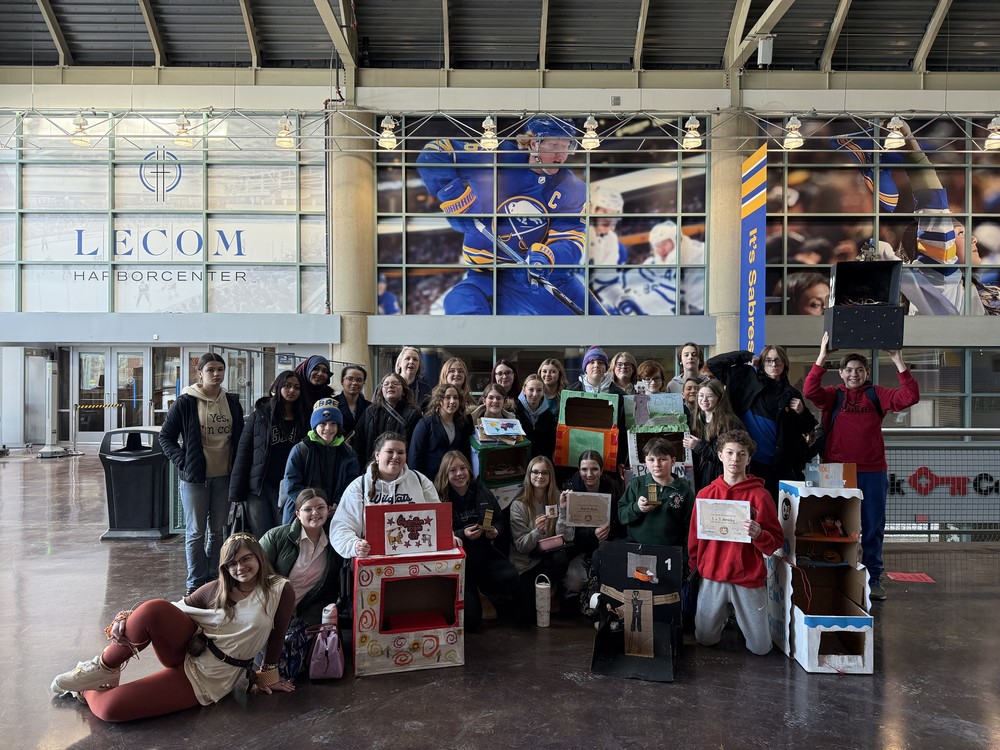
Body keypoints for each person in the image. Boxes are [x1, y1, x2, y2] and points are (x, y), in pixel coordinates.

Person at [50, 533, 295, 722]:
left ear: (259, 557)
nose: (239, 568)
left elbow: (278, 633)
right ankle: (104, 667)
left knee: (110, 709)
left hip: (210, 677)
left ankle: (85, 689)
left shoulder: (279, 589)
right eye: (231, 564)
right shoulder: (216, 588)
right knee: (152, 609)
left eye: (245, 559)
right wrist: (126, 617)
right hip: (190, 648)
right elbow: (174, 609)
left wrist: (267, 676)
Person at [416, 116, 595, 316]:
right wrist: (455, 198)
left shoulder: (573, 189)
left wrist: (547, 256)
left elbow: (571, 240)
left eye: (566, 146)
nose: (561, 154)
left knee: (598, 320)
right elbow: (434, 153)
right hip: (487, 276)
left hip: (538, 279)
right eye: (554, 145)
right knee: (460, 303)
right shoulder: (498, 157)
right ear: (534, 143)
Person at [803, 332, 920, 601]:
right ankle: (834, 572)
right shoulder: (834, 395)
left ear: (866, 372)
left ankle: (873, 578)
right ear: (841, 373)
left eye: (859, 370)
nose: (854, 375)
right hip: (836, 471)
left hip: (872, 470)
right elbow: (810, 391)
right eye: (849, 370)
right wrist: (822, 356)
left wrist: (898, 359)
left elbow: (910, 397)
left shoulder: (877, 394)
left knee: (872, 525)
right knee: (833, 524)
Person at [688, 430, 783, 655]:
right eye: (729, 453)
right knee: (705, 639)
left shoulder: (760, 496)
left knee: (761, 648)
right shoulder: (705, 494)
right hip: (713, 575)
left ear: (749, 459)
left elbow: (775, 542)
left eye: (741, 454)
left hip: (747, 577)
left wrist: (759, 534)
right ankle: (726, 616)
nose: (735, 459)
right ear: (719, 455)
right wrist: (696, 568)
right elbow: (694, 538)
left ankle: (740, 617)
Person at [160, 353, 246, 595]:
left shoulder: (231, 402)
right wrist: (183, 462)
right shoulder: (186, 402)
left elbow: (238, 438)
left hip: (224, 477)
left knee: (218, 530)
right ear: (200, 374)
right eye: (210, 370)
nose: (216, 374)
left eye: (220, 369)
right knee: (196, 532)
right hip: (195, 478)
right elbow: (165, 438)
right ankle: (195, 582)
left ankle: (214, 577)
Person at [707, 345, 817, 502]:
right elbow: (713, 364)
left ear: (785, 363)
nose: (773, 364)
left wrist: (801, 411)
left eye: (778, 360)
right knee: (750, 507)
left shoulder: (792, 393)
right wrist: (746, 356)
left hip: (779, 464)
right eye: (768, 360)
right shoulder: (746, 380)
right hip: (749, 462)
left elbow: (807, 428)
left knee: (777, 509)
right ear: (762, 363)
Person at [435, 451, 518, 632]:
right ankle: (470, 593)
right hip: (461, 563)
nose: (459, 474)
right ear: (445, 475)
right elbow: (437, 534)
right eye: (453, 470)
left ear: (469, 470)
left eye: (463, 468)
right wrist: (462, 534)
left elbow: (498, 519)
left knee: (511, 577)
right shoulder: (440, 496)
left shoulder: (480, 489)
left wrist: (495, 531)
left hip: (485, 554)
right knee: (472, 622)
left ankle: (483, 592)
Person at [329, 432, 441, 559]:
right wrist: (354, 545)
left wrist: (448, 537)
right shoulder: (359, 486)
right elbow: (340, 528)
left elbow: (439, 519)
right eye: (390, 451)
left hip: (415, 560)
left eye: (400, 452)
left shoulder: (420, 481)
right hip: (373, 562)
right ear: (377, 455)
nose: (395, 456)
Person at [230, 370, 310, 538]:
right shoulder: (260, 415)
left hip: (290, 486)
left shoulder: (304, 418)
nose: (292, 391)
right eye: (287, 386)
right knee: (262, 536)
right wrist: (237, 492)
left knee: (285, 534)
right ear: (277, 387)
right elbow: (243, 452)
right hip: (260, 487)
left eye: (296, 387)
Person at [260, 489, 342, 631]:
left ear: (328, 511)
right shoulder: (276, 536)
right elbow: (257, 572)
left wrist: (303, 624)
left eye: (320, 508)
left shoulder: (335, 544)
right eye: (308, 509)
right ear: (298, 514)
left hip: (304, 619)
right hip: (268, 611)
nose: (315, 513)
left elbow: (328, 592)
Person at [509, 456, 575, 624]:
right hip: (527, 562)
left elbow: (568, 537)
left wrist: (563, 512)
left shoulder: (559, 497)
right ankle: (542, 592)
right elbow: (522, 546)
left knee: (561, 559)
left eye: (545, 472)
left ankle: (550, 591)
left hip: (549, 558)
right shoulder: (518, 504)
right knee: (524, 617)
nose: (540, 476)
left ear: (551, 475)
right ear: (529, 475)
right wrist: (537, 532)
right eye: (535, 472)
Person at [279, 398, 360, 525]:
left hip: (335, 514)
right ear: (315, 425)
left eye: (333, 423)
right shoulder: (301, 450)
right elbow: (291, 484)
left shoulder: (348, 453)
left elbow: (351, 483)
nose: (328, 428)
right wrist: (315, 506)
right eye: (323, 424)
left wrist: (338, 503)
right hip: (303, 514)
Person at [618, 439, 694, 553]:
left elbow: (690, 528)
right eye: (651, 460)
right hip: (637, 546)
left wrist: (684, 557)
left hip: (669, 550)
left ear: (673, 461)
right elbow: (622, 516)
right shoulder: (637, 484)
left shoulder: (684, 490)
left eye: (663, 459)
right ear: (645, 461)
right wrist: (637, 508)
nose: (657, 464)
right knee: (599, 555)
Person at [683, 379, 745, 492]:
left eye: (710, 396)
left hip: (721, 477)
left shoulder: (729, 422)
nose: (704, 400)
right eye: (701, 395)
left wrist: (698, 446)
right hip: (701, 475)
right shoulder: (696, 418)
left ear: (719, 398)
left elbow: (727, 457)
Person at [353, 372, 421, 466]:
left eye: (395, 383)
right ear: (381, 390)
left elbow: (416, 448)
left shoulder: (413, 414)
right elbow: (358, 441)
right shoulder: (370, 412)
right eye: (386, 384)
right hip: (372, 467)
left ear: (404, 391)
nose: (390, 386)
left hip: (400, 467)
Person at [408, 383, 473, 480]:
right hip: (430, 481)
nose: (452, 401)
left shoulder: (461, 424)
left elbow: (466, 453)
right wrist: (417, 482)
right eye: (447, 397)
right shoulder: (425, 424)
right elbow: (415, 457)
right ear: (439, 401)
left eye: (455, 398)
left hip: (455, 481)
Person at [643, 219, 705, 314]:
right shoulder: (652, 263)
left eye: (664, 244)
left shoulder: (700, 253)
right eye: (657, 246)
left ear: (675, 241)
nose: (660, 249)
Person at [514, 374, 557, 460]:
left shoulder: (549, 416)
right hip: (518, 461)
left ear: (543, 392)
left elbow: (551, 444)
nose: (535, 394)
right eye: (531, 390)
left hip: (541, 462)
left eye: (539, 390)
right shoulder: (514, 411)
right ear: (524, 389)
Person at [588, 183, 627, 266]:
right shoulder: (578, 233)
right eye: (604, 211)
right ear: (592, 210)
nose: (608, 218)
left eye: (613, 213)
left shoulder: (612, 240)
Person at [335, 364, 371, 440]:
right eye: (350, 379)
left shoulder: (370, 407)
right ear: (342, 381)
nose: (354, 383)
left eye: (359, 380)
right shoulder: (332, 404)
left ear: (363, 383)